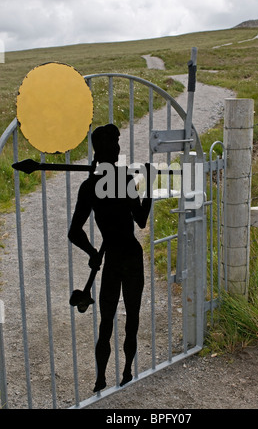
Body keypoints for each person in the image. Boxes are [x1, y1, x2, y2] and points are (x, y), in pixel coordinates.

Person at [68, 124, 156, 392]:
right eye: (116, 145)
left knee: (106, 322)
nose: (119, 149)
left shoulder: (90, 186)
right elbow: (140, 221)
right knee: (131, 317)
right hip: (129, 255)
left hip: (113, 258)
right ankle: (126, 372)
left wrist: (93, 253)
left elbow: (74, 232)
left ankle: (101, 379)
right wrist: (149, 185)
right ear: (108, 149)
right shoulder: (123, 180)